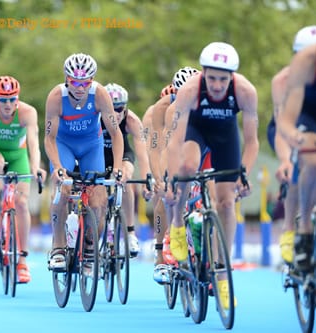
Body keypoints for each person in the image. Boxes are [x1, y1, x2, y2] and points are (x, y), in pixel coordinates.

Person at [165, 42, 258, 308]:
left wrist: (244, 175)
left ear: (232, 77)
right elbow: (174, 141)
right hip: (195, 131)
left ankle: (222, 274)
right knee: (188, 166)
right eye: (212, 78)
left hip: (225, 136)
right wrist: (172, 179)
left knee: (227, 202)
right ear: (203, 73)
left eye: (223, 79)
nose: (217, 85)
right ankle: (178, 225)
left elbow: (251, 142)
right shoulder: (190, 90)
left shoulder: (245, 91)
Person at [44, 53, 124, 271]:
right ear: (67, 79)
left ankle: (89, 248)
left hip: (91, 145)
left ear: (92, 81)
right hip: (64, 144)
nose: (80, 88)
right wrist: (59, 168)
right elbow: (49, 138)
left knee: (98, 200)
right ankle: (58, 246)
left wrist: (117, 168)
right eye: (75, 82)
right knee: (64, 187)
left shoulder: (99, 95)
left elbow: (116, 135)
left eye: (85, 83)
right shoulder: (55, 97)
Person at [0, 76, 46, 283]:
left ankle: (22, 261)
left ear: (18, 98)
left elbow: (33, 142)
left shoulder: (28, 112)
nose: (7, 105)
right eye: (2, 100)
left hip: (18, 155)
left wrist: (35, 167)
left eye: (11, 99)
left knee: (22, 203)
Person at [142, 67, 200, 284]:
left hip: (192, 145)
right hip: (167, 144)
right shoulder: (162, 108)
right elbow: (156, 147)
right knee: (164, 196)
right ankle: (160, 256)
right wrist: (159, 178)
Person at [269, 26, 316, 264]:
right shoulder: (283, 81)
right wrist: (285, 159)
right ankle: (294, 228)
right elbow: (283, 126)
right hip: (292, 124)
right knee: (300, 167)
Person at [103, 83, 152, 257]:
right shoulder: (94, 118)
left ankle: (130, 232)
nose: (115, 114)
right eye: (110, 109)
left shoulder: (131, 120)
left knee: (125, 178)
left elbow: (142, 152)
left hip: (123, 153)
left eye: (119, 109)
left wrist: (147, 179)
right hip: (98, 155)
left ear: (125, 108)